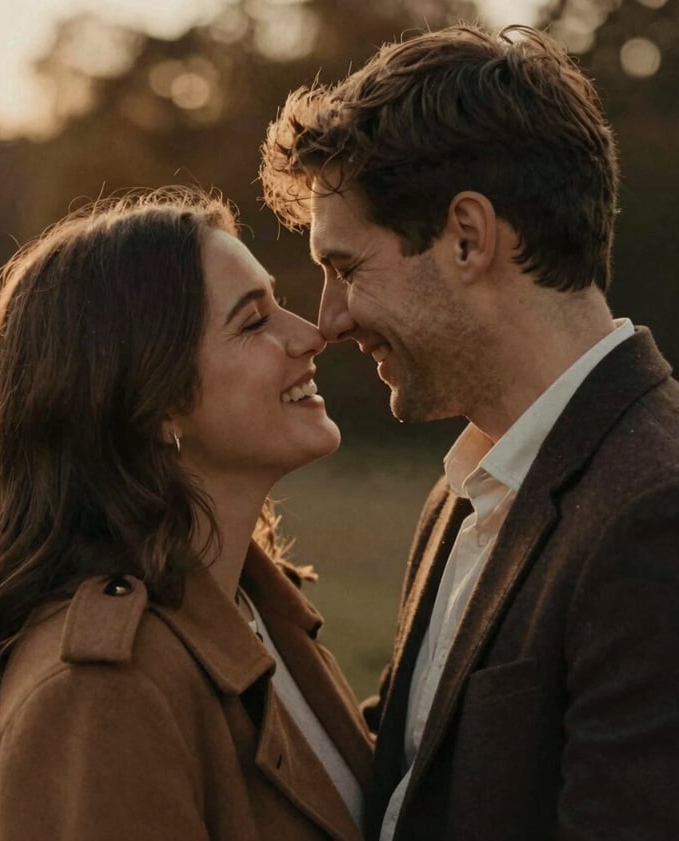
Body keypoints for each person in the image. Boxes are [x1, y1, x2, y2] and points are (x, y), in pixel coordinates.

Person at [259, 22, 679, 841]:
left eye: (346, 268)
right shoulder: (468, 492)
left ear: (468, 237)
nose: (329, 320)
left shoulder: (655, 514)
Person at [0, 189, 372, 841]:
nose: (311, 333)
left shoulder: (260, 611)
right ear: (155, 404)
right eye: (252, 321)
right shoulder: (99, 693)